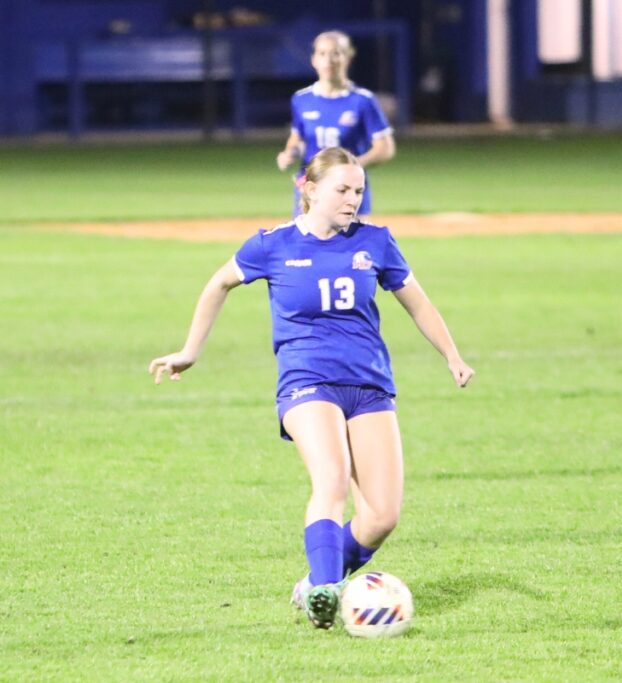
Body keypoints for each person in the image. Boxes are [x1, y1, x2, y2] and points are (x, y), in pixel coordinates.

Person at [149, 147, 474, 630]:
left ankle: (313, 582)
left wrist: (452, 355)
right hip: (307, 382)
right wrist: (190, 351)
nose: (353, 200)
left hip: (369, 384)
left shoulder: (376, 242)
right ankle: (325, 590)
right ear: (310, 189)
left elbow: (418, 304)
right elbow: (218, 284)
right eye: (342, 190)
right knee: (332, 479)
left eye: (359, 190)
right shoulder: (272, 245)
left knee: (382, 516)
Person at [277, 30, 396, 218]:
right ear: (313, 59)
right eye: (322, 53)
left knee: (353, 246)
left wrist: (349, 167)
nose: (329, 60)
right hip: (312, 188)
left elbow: (385, 148)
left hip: (348, 189)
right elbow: (298, 139)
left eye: (336, 53)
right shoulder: (301, 99)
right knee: (306, 245)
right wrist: (289, 153)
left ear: (348, 58)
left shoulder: (362, 100)